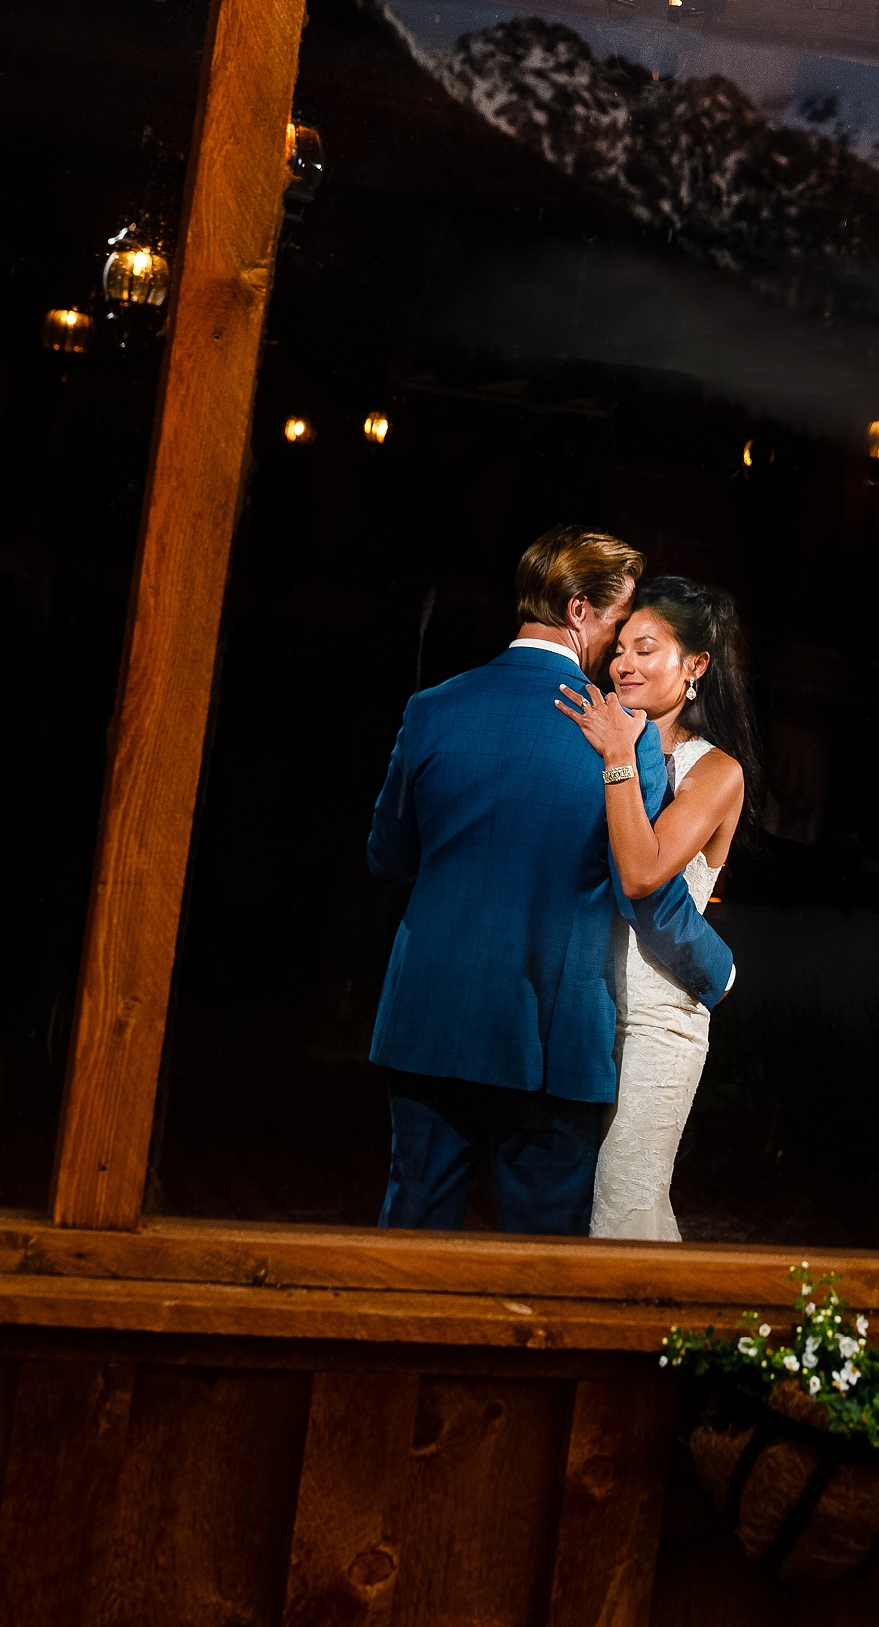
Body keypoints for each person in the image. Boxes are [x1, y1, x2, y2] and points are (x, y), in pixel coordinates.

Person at [365, 528, 735, 1233]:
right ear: (578, 611)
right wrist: (718, 968)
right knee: (543, 1266)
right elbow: (646, 893)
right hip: (551, 1035)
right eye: (619, 622)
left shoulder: (431, 708)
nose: (620, 645)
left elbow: (387, 856)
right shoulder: (620, 733)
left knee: (410, 1244)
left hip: (431, 1018)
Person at [560, 576, 755, 1241]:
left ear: (695, 665)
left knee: (625, 1201)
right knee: (588, 1210)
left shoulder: (715, 771)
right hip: (586, 1005)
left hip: (659, 1020)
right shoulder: (597, 738)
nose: (624, 663)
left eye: (646, 647)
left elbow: (642, 872)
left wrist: (619, 756)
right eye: (619, 648)